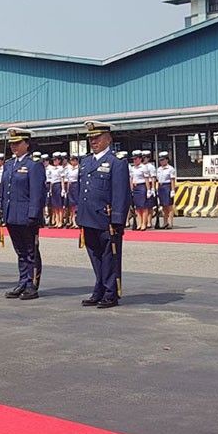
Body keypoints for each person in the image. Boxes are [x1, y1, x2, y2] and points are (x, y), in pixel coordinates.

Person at [77, 120, 131, 309]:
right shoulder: (85, 162)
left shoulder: (116, 162)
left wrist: (117, 219)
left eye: (97, 137)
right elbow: (81, 190)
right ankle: (100, 288)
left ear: (108, 138)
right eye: (91, 138)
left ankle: (111, 292)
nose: (93, 141)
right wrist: (79, 215)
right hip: (88, 217)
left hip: (106, 219)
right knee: (95, 256)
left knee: (110, 257)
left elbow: (121, 193)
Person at [0, 127, 46, 300]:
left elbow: (37, 193)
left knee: (31, 251)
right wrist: (1, 210)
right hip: (12, 215)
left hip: (26, 216)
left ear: (27, 143)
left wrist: (34, 214)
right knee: (20, 251)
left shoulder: (33, 165)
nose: (14, 146)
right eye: (12, 143)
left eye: (17, 143)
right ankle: (23, 281)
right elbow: (3, 189)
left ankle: (32, 284)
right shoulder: (9, 164)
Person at [156, 151, 177, 229]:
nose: (161, 161)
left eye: (163, 160)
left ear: (167, 160)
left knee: (169, 206)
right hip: (161, 187)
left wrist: (172, 190)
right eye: (160, 160)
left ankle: (170, 222)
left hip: (167, 186)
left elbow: (172, 180)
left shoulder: (170, 169)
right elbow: (158, 180)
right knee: (163, 206)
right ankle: (165, 222)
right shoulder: (159, 169)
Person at [130, 151, 149, 230]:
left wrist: (148, 190)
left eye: (136, 159)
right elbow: (131, 179)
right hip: (135, 187)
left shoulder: (143, 167)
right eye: (133, 159)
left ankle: (144, 223)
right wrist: (131, 188)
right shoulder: (132, 168)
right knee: (137, 207)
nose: (134, 160)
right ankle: (139, 223)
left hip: (142, 187)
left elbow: (146, 179)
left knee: (143, 206)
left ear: (140, 159)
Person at [65, 154, 80, 228]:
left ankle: (77, 221)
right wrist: (66, 190)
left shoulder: (79, 168)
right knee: (71, 205)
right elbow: (68, 179)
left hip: (76, 185)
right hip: (70, 186)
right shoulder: (69, 169)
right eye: (71, 160)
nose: (72, 162)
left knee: (77, 204)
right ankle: (73, 222)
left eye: (73, 160)